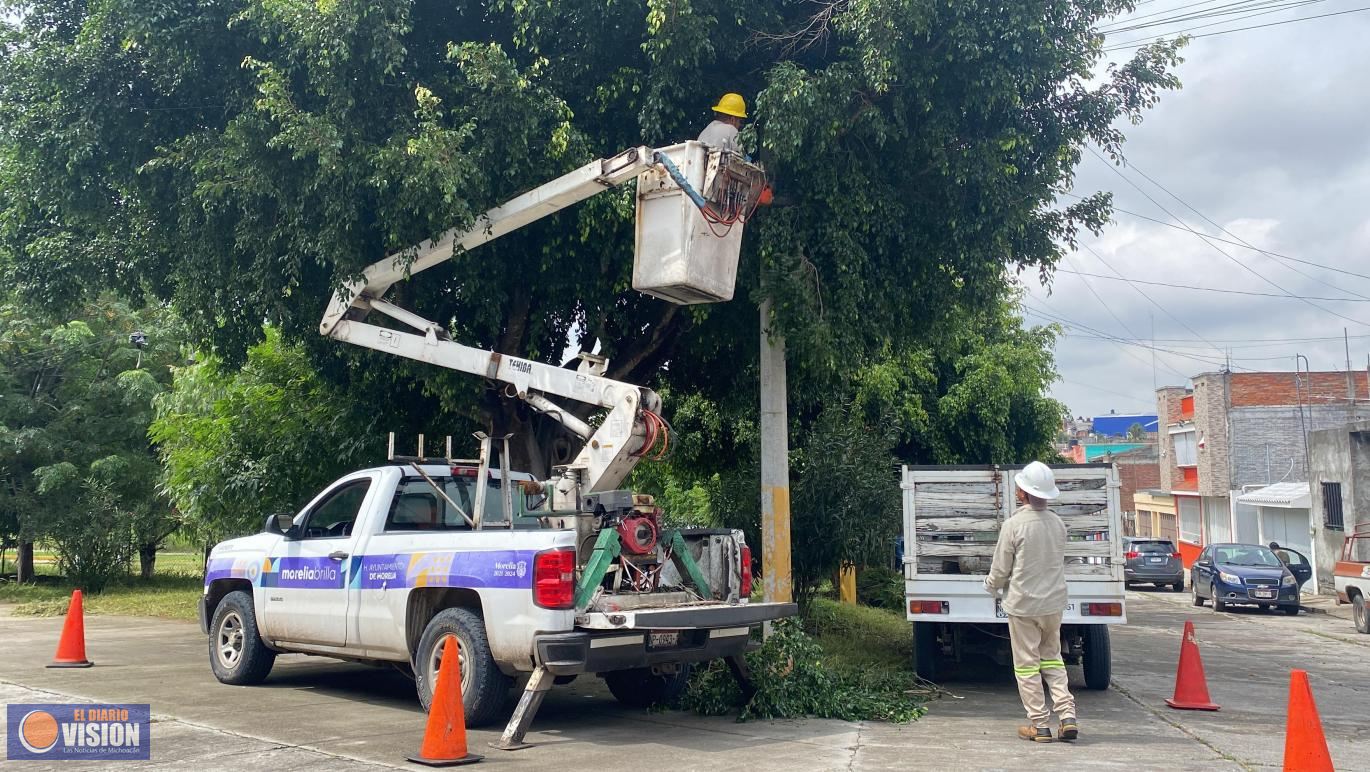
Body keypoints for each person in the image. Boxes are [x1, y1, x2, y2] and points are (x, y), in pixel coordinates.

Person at [984, 461, 1079, 744]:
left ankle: (1039, 725)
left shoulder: (1014, 525)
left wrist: (990, 587)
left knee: (1026, 664)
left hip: (1024, 605)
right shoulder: (1058, 524)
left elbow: (1001, 569)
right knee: (1052, 658)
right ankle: (1067, 715)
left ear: (1022, 493)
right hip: (1053, 605)